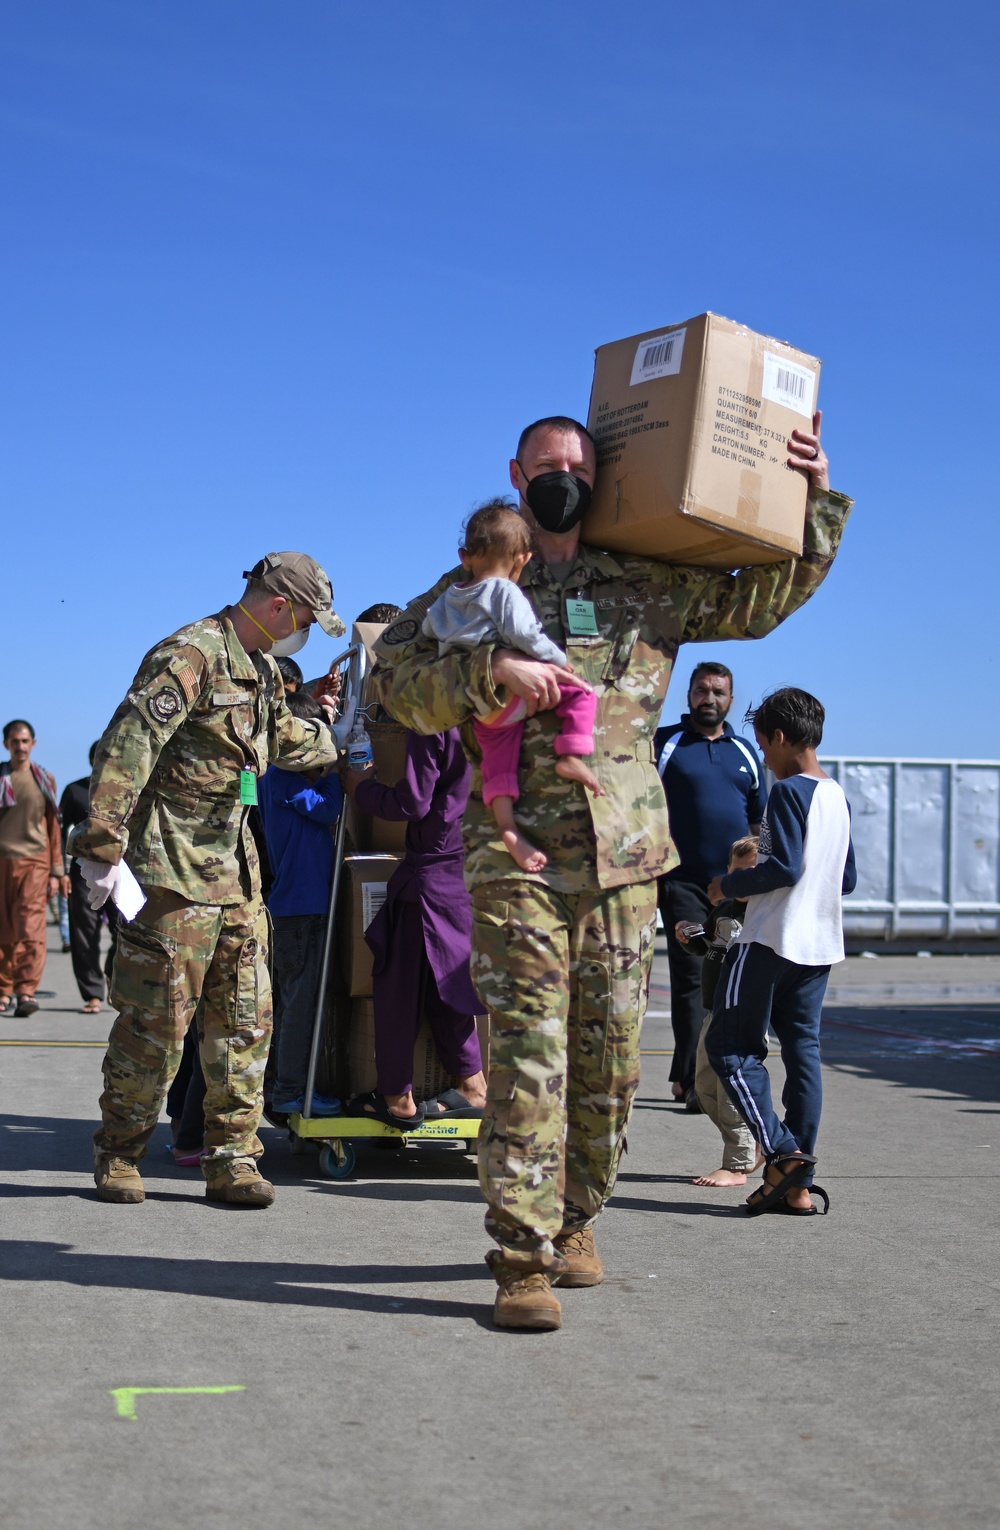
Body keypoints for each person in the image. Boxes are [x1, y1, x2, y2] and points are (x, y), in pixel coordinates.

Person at [371, 411, 852, 1329]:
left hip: (627, 865)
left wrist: (817, 497)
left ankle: (576, 1220)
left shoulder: (646, 581)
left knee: (608, 1066)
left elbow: (764, 599)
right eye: (548, 466)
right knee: (529, 1059)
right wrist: (489, 674)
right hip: (517, 860)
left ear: (601, 479)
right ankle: (521, 1261)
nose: (565, 479)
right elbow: (390, 684)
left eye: (580, 467)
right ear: (518, 475)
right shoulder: (474, 587)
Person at [71, 551, 347, 1208]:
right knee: (156, 1027)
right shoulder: (189, 655)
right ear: (278, 606)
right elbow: (127, 746)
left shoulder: (263, 670)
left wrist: (344, 741)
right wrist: (103, 843)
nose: (303, 632)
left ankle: (232, 1160)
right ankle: (120, 1151)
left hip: (238, 876)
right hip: (173, 874)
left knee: (245, 1023)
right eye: (305, 620)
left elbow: (284, 739)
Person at [705, 687, 857, 1216]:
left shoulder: (789, 792)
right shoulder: (836, 796)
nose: (764, 757)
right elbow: (847, 879)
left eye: (764, 745)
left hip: (771, 939)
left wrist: (727, 885)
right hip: (819, 945)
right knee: (802, 1054)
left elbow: (784, 868)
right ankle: (797, 1187)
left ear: (779, 737)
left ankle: (782, 1151)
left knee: (728, 1047)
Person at [422, 502, 602, 873]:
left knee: (497, 764)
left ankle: (507, 827)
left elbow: (428, 630)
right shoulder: (505, 591)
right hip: (515, 691)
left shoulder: (447, 598)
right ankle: (571, 754)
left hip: (481, 705)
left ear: (464, 557)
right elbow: (525, 634)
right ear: (523, 559)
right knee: (582, 693)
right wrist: (557, 660)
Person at [344, 725, 486, 1128]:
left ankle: (397, 1097)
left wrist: (362, 788)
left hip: (430, 873)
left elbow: (413, 801)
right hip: (468, 864)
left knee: (398, 986)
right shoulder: (491, 710)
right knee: (446, 986)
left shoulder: (431, 719)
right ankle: (473, 1084)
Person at [654, 663, 765, 1108]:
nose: (709, 698)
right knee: (690, 979)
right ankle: (691, 1082)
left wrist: (758, 878)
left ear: (730, 700)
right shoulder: (665, 744)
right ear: (689, 694)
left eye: (718, 692)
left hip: (734, 887)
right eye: (702, 690)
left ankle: (704, 1073)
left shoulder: (745, 751)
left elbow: (759, 824)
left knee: (726, 979)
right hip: (681, 881)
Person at [257, 689, 344, 1117]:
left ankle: (287, 1085)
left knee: (296, 1002)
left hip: (296, 907)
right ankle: (291, 1089)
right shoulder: (284, 779)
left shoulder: (275, 778)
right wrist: (337, 771)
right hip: (301, 910)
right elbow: (327, 810)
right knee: (300, 1006)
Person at [675, 833, 762, 1187]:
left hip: (741, 1010)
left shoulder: (765, 911)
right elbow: (707, 945)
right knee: (704, 1087)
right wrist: (688, 936)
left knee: (730, 1089)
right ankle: (760, 1139)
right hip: (714, 1010)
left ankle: (738, 1163)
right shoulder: (724, 909)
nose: (742, 879)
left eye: (752, 872)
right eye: (736, 872)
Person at [0, 720, 66, 1018]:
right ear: (6, 744)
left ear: (33, 744)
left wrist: (56, 871)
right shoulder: (1, 777)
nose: (20, 747)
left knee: (30, 927)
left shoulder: (44, 779)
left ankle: (26, 990)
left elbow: (53, 827)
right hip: (3, 861)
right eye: (15, 741)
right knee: (4, 928)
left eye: (25, 741)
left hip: (35, 862)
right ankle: (3, 990)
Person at [60, 743, 115, 1015]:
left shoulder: (125, 792)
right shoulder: (75, 791)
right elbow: (60, 833)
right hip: (82, 871)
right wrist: (61, 872)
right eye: (100, 757)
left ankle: (114, 976)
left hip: (119, 870)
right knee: (84, 935)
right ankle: (93, 993)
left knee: (126, 931)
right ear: (92, 760)